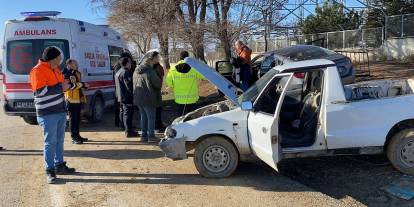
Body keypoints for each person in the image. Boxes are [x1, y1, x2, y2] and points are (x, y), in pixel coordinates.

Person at [29, 46, 76, 184]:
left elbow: (62, 85)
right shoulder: (37, 70)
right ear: (54, 59)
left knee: (59, 141)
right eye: (60, 58)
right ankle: (49, 170)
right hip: (47, 113)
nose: (61, 60)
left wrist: (71, 85)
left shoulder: (55, 69)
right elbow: (40, 91)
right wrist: (60, 87)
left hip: (60, 110)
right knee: (50, 143)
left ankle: (59, 165)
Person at [133, 51, 162, 142]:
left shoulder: (137, 70)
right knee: (151, 118)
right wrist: (160, 78)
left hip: (138, 97)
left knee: (144, 116)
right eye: (157, 57)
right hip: (149, 98)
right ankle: (151, 136)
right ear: (152, 59)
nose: (159, 58)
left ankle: (144, 136)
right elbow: (158, 84)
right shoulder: (150, 71)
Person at [165, 51, 205, 115]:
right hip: (192, 98)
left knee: (181, 118)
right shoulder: (193, 68)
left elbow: (168, 81)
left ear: (180, 57)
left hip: (179, 99)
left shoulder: (173, 69)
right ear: (188, 57)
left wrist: (173, 86)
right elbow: (204, 76)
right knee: (193, 118)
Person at [62, 59, 89, 144]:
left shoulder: (76, 72)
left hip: (77, 99)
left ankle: (78, 136)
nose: (77, 65)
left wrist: (83, 86)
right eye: (75, 64)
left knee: (77, 119)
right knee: (73, 120)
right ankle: (74, 138)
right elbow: (70, 86)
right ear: (69, 64)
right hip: (70, 99)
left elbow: (77, 84)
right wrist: (82, 84)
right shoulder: (66, 73)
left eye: (77, 64)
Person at [115, 57, 138, 138]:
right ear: (127, 63)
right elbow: (129, 86)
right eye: (130, 62)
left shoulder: (119, 71)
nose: (131, 64)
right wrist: (134, 94)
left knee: (125, 113)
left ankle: (128, 129)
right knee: (128, 114)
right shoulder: (126, 72)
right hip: (126, 97)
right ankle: (128, 131)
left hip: (121, 96)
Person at [154, 62, 166, 132]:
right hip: (157, 90)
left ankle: (157, 124)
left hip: (154, 90)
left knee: (156, 109)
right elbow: (162, 76)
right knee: (158, 108)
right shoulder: (158, 67)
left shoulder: (151, 68)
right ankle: (158, 125)